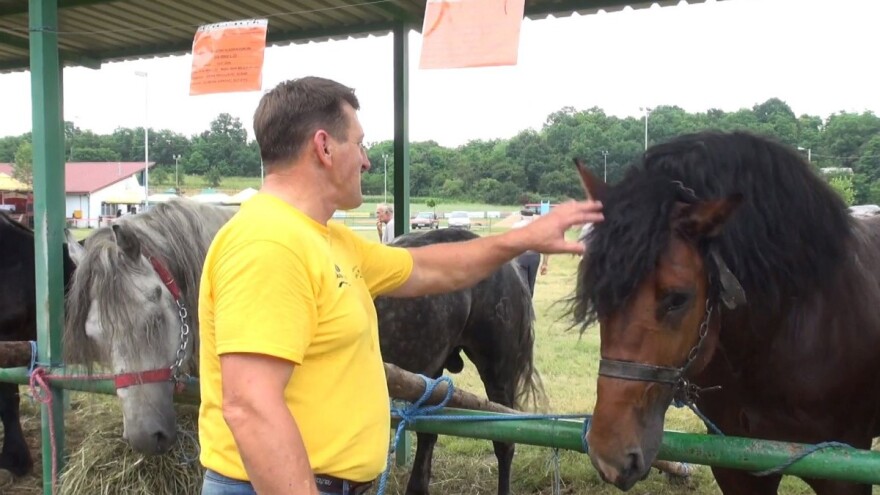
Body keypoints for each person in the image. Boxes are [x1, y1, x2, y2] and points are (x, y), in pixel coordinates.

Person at [197, 76, 603, 495]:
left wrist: (523, 239)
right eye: (359, 143)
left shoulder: (327, 240)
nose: (367, 160)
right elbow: (251, 406)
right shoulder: (269, 243)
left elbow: (429, 269)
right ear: (324, 147)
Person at [510, 209, 550, 297]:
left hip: (521, 256)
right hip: (534, 256)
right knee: (531, 282)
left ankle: (524, 302)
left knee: (522, 282)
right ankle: (529, 299)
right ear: (532, 216)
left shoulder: (516, 226)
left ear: (521, 216)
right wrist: (545, 263)